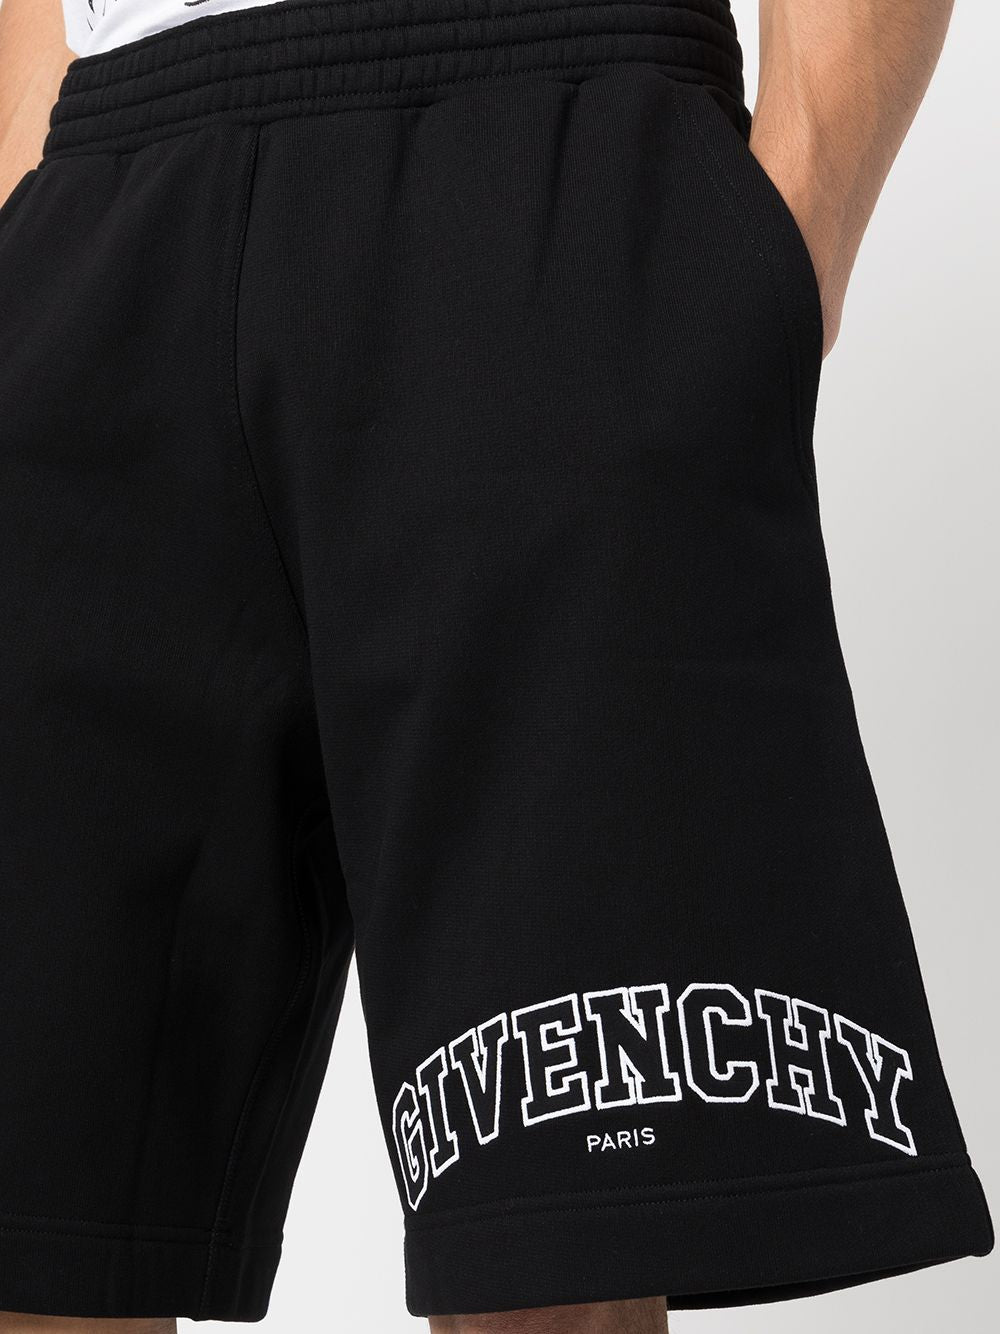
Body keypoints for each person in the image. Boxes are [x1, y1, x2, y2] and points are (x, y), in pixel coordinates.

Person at [0, 1, 992, 1331]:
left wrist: (787, 237)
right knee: (39, 1232)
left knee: (556, 1235)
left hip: (548, 124)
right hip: (107, 180)